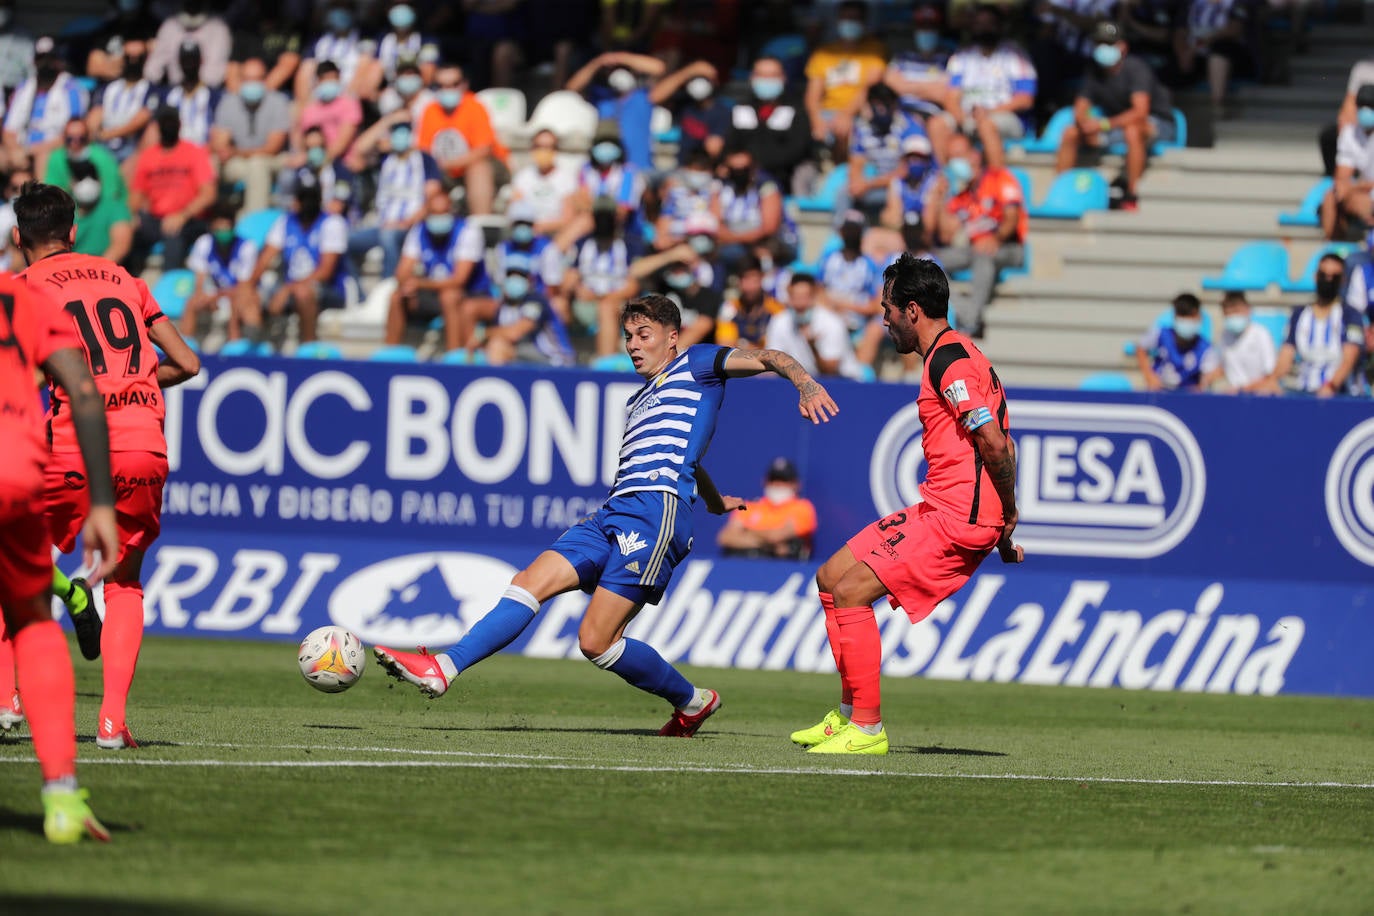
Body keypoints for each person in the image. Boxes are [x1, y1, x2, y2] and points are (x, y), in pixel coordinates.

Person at [374, 292, 840, 738]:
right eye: (628, 336)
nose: (634, 345)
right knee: (527, 581)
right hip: (612, 512)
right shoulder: (638, 400)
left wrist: (805, 382)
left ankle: (693, 701)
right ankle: (444, 668)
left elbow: (770, 356)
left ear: (672, 336)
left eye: (644, 334)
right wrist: (717, 502)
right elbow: (690, 462)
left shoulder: (696, 363)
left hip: (656, 514)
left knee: (596, 642)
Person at [796, 253, 1021, 755]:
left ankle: (868, 730)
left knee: (852, 593)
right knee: (831, 577)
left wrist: (1006, 513)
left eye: (887, 309)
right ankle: (849, 715)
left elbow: (993, 441)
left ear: (912, 310)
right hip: (940, 506)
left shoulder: (950, 360)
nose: (884, 319)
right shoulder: (951, 354)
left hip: (958, 517)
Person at [15, 181, 200, 753]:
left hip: (71, 445)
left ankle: (7, 701)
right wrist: (136, 381)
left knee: (14, 566)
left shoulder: (21, 288)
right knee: (124, 584)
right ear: (74, 232)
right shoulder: (126, 280)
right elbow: (187, 362)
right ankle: (113, 725)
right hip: (144, 445)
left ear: (19, 238)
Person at [0, 263, 118, 843]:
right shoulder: (20, 298)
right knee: (30, 624)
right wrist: (100, 503)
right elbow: (85, 391)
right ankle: (63, 800)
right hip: (17, 470)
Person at [1055, 22, 1175, 212]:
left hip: (1156, 125)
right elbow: (1081, 105)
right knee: (1070, 133)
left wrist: (1102, 125)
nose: (1103, 48)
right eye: (1099, 43)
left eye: (1108, 43)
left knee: (1133, 130)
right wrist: (1083, 123)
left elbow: (1140, 112)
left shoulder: (1136, 69)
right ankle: (1060, 190)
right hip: (1117, 127)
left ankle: (1132, 193)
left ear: (1122, 46)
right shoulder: (1094, 71)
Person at [930, 133, 1026, 337]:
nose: (957, 162)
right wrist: (939, 198)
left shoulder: (1000, 179)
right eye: (952, 158)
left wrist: (995, 238)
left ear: (974, 155)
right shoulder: (961, 196)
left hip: (1008, 247)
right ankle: (968, 313)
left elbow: (1012, 217)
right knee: (931, 261)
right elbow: (947, 236)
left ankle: (970, 323)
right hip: (974, 250)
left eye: (960, 155)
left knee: (984, 255)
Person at [385, 190, 488, 354]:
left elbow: (459, 280)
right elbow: (402, 271)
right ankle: (389, 354)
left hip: (470, 293)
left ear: (451, 212)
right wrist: (408, 283)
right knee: (398, 296)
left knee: (449, 295)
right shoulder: (419, 231)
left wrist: (419, 283)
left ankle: (453, 356)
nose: (439, 219)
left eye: (443, 213)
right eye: (434, 213)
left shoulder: (468, 231)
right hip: (433, 292)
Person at [248, 183, 349, 346]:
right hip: (289, 286)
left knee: (303, 293)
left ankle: (307, 346)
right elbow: (264, 259)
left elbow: (325, 272)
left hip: (328, 290)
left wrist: (288, 289)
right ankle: (254, 348)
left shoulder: (332, 223)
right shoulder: (286, 221)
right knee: (248, 294)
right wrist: (249, 286)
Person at [126, 106, 217, 276]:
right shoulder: (148, 156)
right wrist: (131, 217)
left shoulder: (194, 152)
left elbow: (208, 194)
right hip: (156, 219)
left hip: (189, 219)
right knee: (125, 231)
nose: (168, 126)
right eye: (164, 122)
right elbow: (136, 195)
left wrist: (182, 215)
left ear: (179, 125)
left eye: (171, 122)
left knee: (173, 233)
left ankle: (169, 287)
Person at [1262, 254, 1365, 397]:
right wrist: (1272, 380)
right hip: (1304, 391)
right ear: (1316, 276)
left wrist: (1331, 385)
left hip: (1340, 394)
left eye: (1334, 277)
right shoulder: (1299, 314)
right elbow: (1286, 354)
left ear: (1342, 280)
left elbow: (1349, 358)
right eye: (1323, 275)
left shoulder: (1350, 315)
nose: (1328, 280)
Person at [416, 64, 509, 215]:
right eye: (441, 85)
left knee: (477, 167)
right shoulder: (430, 110)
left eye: (454, 84)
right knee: (424, 173)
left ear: (464, 84)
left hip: (487, 166)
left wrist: (449, 163)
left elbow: (483, 149)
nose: (448, 89)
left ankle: (481, 225)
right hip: (446, 171)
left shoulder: (475, 106)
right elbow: (424, 150)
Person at [804, 0, 888, 155]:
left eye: (855, 19)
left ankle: (845, 173)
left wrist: (846, 115)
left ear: (864, 22)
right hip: (827, 113)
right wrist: (817, 120)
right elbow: (812, 95)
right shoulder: (823, 53)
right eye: (846, 18)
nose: (850, 23)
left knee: (849, 131)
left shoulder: (875, 50)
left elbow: (869, 87)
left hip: (859, 112)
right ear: (838, 21)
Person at [211, 57, 292, 214]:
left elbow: (272, 148)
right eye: (248, 79)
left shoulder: (278, 102)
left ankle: (253, 224)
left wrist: (235, 152)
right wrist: (223, 149)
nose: (252, 84)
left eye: (258, 79)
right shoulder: (228, 102)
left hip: (271, 160)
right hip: (239, 162)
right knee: (210, 162)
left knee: (257, 165)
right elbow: (220, 142)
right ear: (240, 81)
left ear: (265, 79)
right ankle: (212, 218)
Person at [728, 55, 815, 197]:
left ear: (783, 78)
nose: (767, 80)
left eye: (772, 76)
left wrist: (754, 162)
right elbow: (730, 143)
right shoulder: (741, 108)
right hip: (742, 179)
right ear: (752, 78)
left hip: (783, 179)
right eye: (761, 75)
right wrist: (731, 159)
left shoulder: (796, 110)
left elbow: (797, 150)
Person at [765, 272, 867, 380]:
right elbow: (773, 362)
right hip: (802, 383)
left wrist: (813, 347)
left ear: (814, 297)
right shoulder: (779, 321)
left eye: (804, 297)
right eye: (795, 297)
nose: (800, 304)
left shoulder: (832, 323)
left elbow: (830, 371)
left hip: (843, 382)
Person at [182, 201, 260, 342]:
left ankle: (235, 345)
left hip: (238, 294)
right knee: (193, 302)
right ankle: (186, 344)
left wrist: (217, 295)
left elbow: (244, 286)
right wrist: (205, 296)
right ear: (212, 227)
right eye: (220, 226)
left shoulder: (247, 247)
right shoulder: (204, 243)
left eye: (227, 227)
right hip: (217, 294)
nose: (224, 231)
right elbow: (199, 283)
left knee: (243, 301)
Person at [717, 457, 818, 560]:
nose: (778, 485)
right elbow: (725, 537)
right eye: (773, 480)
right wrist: (769, 546)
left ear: (796, 484)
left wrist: (746, 530)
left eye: (784, 480)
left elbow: (775, 536)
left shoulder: (803, 508)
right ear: (765, 481)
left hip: (783, 567)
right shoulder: (750, 506)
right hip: (746, 564)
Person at [1135, 293, 1219, 391]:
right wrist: (1149, 376)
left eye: (1191, 316)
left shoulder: (1206, 348)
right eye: (1183, 316)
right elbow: (1140, 349)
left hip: (1187, 397)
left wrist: (1201, 386)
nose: (1187, 321)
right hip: (1159, 393)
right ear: (1175, 317)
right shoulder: (1160, 334)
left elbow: (1206, 378)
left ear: (1199, 317)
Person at [1204, 290, 1277, 393]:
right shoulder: (1224, 336)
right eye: (1228, 313)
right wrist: (1206, 379)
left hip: (1258, 396)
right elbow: (1223, 368)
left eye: (1236, 311)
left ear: (1247, 310)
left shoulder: (1261, 334)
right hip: (1233, 396)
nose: (1233, 316)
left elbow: (1270, 377)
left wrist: (1243, 389)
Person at [68, 159, 134, 263]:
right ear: (71, 182)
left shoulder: (115, 207)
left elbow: (121, 246)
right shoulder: (64, 209)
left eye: (91, 177)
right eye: (80, 177)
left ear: (99, 180)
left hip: (104, 271)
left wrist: (96, 270)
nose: (86, 182)